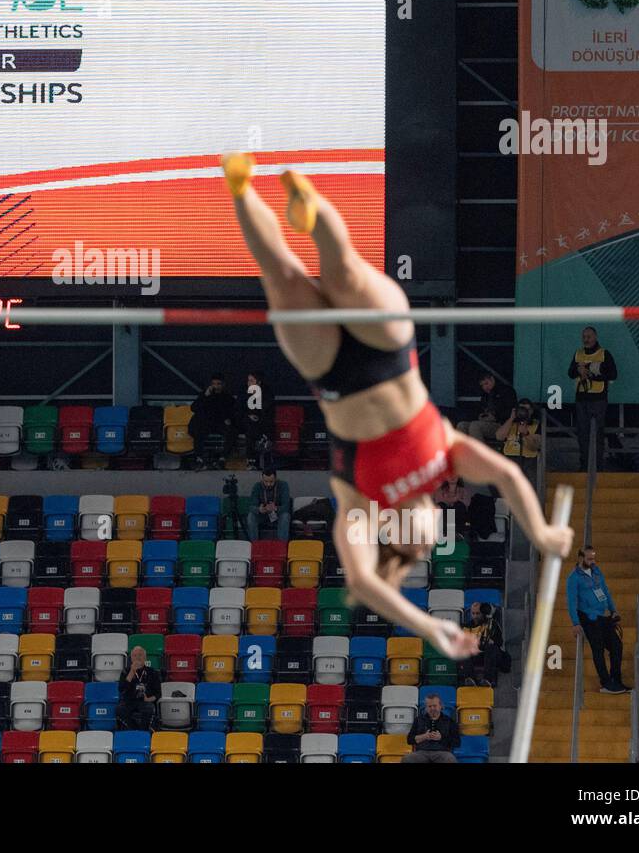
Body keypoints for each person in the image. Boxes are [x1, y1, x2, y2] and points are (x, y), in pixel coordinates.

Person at [220, 153, 571, 658]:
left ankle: (242, 186)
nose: (433, 537)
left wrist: (432, 630)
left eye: (423, 545)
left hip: (332, 374)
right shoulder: (446, 458)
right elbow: (510, 477)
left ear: (401, 534)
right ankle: (312, 208)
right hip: (388, 353)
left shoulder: (360, 503)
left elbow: (363, 583)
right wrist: (539, 533)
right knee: (340, 271)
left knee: (282, 274)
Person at [566, 546, 629, 694]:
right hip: (588, 617)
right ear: (581, 558)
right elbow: (571, 602)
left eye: (594, 558)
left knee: (616, 646)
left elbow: (605, 590)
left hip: (603, 616)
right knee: (598, 649)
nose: (593, 561)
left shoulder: (596, 571)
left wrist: (613, 610)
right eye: (589, 559)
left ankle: (616, 680)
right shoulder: (573, 578)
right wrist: (575, 623)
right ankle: (606, 683)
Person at [569, 326, 618, 471]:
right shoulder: (578, 354)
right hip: (581, 398)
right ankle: (584, 466)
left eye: (589, 336)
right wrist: (578, 370)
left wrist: (592, 372)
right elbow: (570, 373)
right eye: (584, 336)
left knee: (597, 434)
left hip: (598, 399)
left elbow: (613, 375)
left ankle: (598, 467)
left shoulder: (604, 354)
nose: (586, 339)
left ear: (595, 337)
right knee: (582, 434)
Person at [189, 373, 239, 470]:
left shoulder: (227, 397)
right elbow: (194, 408)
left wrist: (228, 419)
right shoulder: (205, 395)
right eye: (214, 384)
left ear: (223, 385)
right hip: (207, 423)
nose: (216, 386)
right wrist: (205, 396)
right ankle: (199, 459)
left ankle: (222, 459)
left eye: (218, 384)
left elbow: (234, 411)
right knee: (197, 430)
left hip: (220, 424)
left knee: (232, 431)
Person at [456, 372, 516, 444]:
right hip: (486, 423)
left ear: (492, 379)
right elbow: (480, 409)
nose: (485, 387)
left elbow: (511, 411)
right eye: (482, 385)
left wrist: (495, 417)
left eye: (486, 383)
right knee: (461, 425)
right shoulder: (485, 395)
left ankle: (480, 454)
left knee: (475, 426)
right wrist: (480, 416)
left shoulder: (506, 391)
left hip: (502, 424)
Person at [459, 601, 507, 687]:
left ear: (483, 613)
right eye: (473, 613)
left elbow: (500, 642)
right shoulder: (466, 626)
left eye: (478, 613)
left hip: (489, 654)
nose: (475, 616)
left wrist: (492, 641)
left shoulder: (492, 624)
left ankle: (487, 680)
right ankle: (470, 679)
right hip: (475, 654)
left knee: (491, 648)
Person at [403, 694, 461, 763]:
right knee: (407, 759)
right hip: (422, 752)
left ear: (440, 706)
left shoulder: (449, 721)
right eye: (429, 706)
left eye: (435, 706)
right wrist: (424, 737)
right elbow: (409, 740)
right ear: (426, 708)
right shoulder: (418, 720)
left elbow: (457, 742)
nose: (432, 708)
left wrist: (441, 738)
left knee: (450, 759)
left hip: (442, 753)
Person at [495, 399, 541, 486]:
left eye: (526, 409)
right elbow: (499, 437)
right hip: (509, 457)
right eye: (521, 409)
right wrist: (511, 418)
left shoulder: (536, 425)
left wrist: (526, 434)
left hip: (529, 460)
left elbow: (535, 446)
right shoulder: (510, 423)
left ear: (531, 411)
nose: (523, 412)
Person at [116, 645, 161, 731]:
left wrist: (148, 699)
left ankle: (143, 731)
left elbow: (158, 693)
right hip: (129, 701)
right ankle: (134, 729)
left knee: (149, 709)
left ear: (145, 658)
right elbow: (122, 689)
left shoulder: (152, 672)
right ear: (131, 658)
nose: (137, 658)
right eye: (135, 655)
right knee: (119, 709)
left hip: (145, 701)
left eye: (140, 655)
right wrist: (132, 672)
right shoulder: (126, 671)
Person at [236, 372, 276, 468]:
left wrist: (256, 396)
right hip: (246, 420)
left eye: (251, 380)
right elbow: (239, 408)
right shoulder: (243, 391)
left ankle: (254, 460)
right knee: (250, 428)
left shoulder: (267, 392)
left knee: (254, 430)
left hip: (261, 421)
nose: (249, 383)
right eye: (248, 380)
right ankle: (252, 459)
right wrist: (249, 415)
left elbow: (267, 408)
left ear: (258, 383)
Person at [246, 467, 291, 541]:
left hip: (277, 514)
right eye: (266, 481)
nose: (268, 484)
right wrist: (259, 509)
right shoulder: (257, 486)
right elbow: (251, 506)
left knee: (285, 516)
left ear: (276, 478)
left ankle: (282, 545)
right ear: (262, 478)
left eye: (271, 481)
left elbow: (287, 506)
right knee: (251, 516)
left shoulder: (283, 485)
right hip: (263, 514)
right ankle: (254, 544)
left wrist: (276, 508)